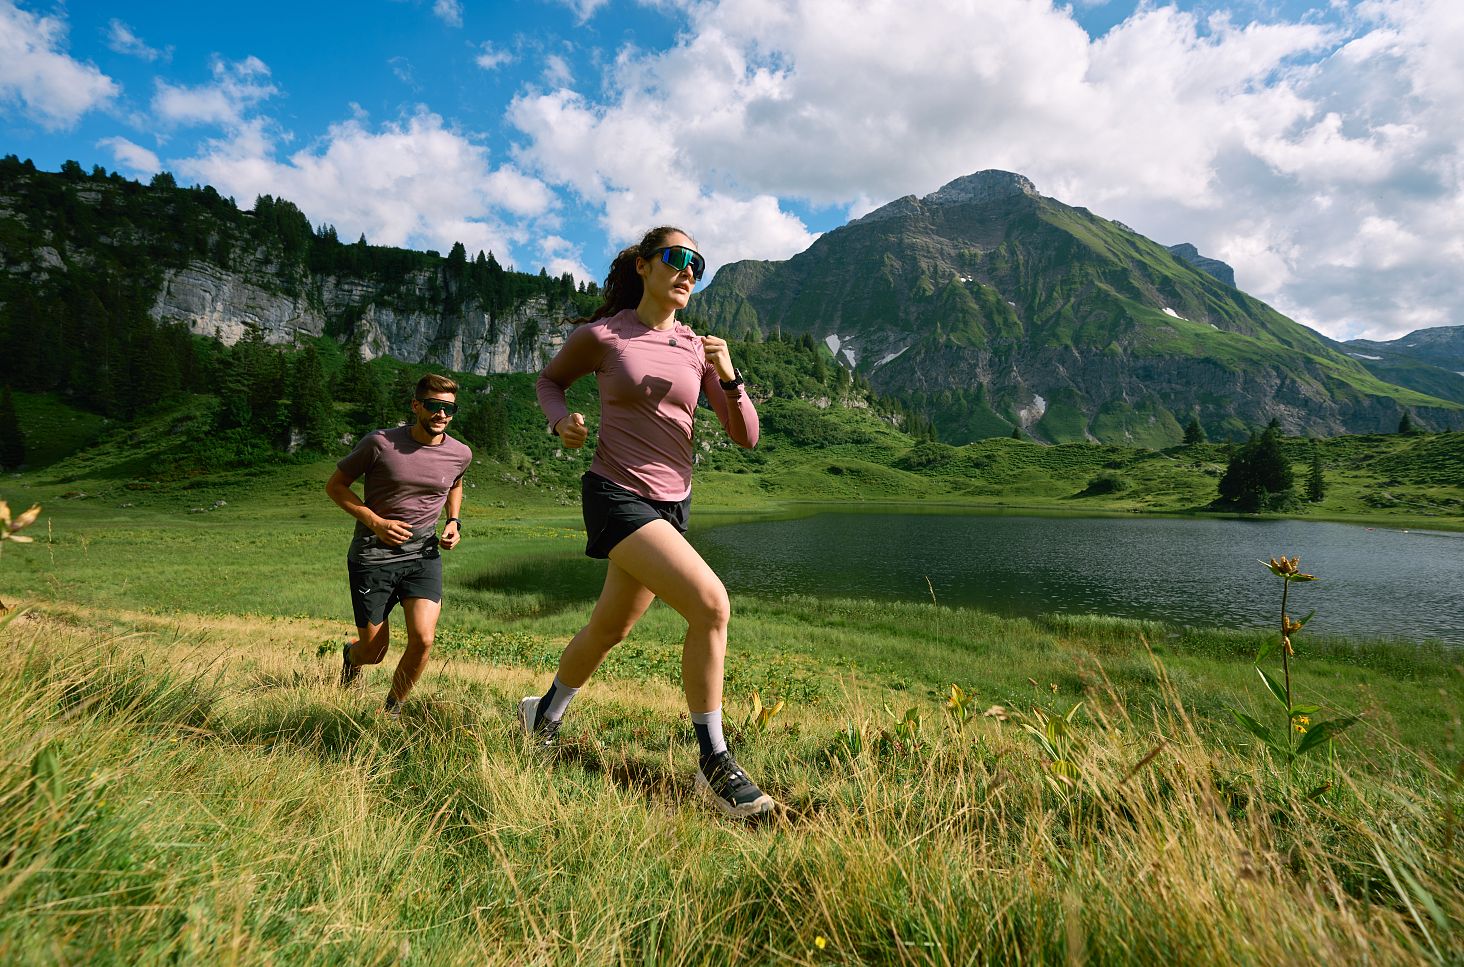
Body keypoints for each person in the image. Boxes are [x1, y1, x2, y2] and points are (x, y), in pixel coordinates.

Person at [521, 226, 773, 819]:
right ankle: (714, 762)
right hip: (615, 492)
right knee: (712, 604)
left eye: (699, 264)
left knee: (610, 629)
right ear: (643, 265)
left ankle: (544, 714)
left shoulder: (695, 346)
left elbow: (747, 436)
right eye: (677, 258)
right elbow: (549, 381)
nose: (688, 270)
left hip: (672, 505)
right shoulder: (604, 336)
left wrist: (729, 373)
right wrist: (561, 424)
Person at [326, 373, 472, 718]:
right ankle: (351, 656)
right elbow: (336, 486)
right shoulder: (380, 443)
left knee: (423, 640)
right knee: (374, 652)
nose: (441, 415)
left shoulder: (459, 453)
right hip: (373, 555)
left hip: (423, 554)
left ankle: (391, 710)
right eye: (434, 406)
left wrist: (453, 521)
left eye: (449, 409)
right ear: (416, 405)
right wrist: (376, 522)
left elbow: (455, 484)